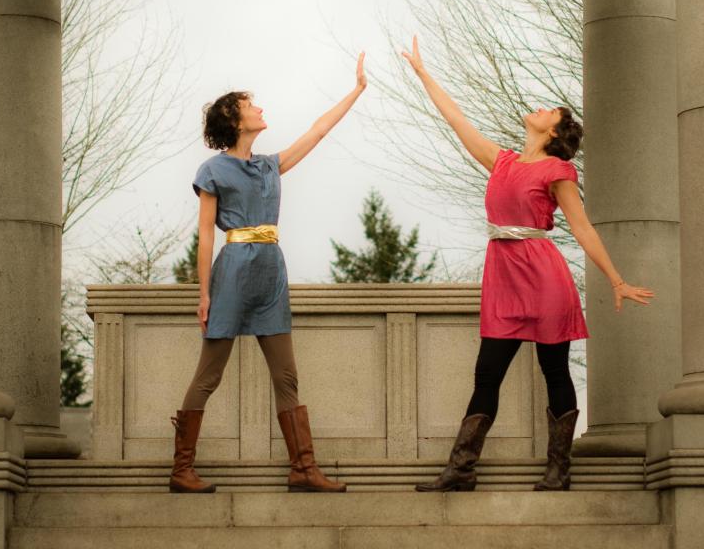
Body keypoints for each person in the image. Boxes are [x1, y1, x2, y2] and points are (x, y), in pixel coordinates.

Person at [399, 37, 655, 492]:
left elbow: (583, 229)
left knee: (554, 371)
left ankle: (558, 470)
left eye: (547, 111)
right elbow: (456, 119)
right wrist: (422, 73)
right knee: (487, 374)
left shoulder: (558, 172)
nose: (537, 108)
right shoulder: (501, 162)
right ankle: (461, 469)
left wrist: (617, 280)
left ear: (553, 133)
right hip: (503, 278)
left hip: (544, 277)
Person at [169, 53, 368, 494]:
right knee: (209, 374)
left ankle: (303, 468)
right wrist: (203, 294)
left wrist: (355, 91)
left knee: (286, 376)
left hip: (271, 271)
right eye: (250, 104)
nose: (259, 108)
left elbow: (318, 130)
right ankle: (181, 470)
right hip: (234, 270)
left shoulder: (270, 165)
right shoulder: (213, 170)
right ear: (234, 118)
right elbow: (205, 236)